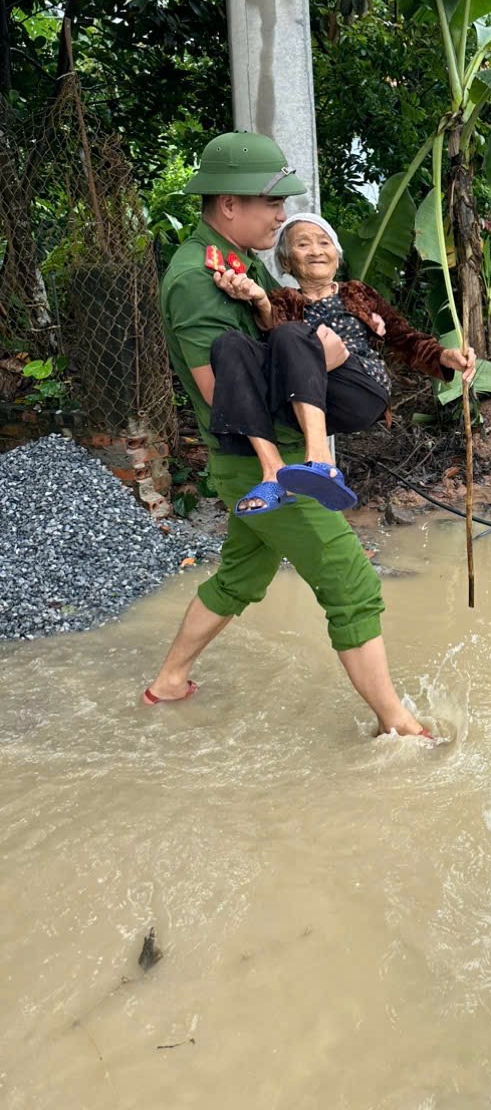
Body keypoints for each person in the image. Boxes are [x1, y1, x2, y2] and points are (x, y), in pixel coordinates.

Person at [144, 131, 438, 739]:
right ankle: (400, 728)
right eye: (272, 204)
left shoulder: (240, 263)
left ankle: (169, 683)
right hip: (255, 460)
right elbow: (217, 392)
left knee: (241, 577)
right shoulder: (196, 280)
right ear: (230, 204)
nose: (283, 216)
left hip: (249, 464)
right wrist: (318, 362)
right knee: (352, 583)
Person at [206, 211, 476, 516]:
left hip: (360, 390)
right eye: (303, 245)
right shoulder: (282, 300)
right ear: (286, 261)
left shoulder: (358, 294)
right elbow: (275, 343)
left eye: (324, 243)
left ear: (337, 255)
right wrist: (261, 302)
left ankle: (321, 460)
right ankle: (273, 473)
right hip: (305, 396)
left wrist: (444, 355)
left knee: (293, 333)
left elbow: (405, 337)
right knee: (229, 344)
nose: (316, 251)